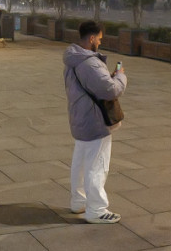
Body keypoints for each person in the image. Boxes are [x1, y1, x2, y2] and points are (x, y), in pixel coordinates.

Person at [64, 21, 127, 223]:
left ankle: (78, 201)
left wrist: (107, 78)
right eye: (99, 39)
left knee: (81, 163)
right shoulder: (89, 63)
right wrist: (120, 77)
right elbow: (110, 90)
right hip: (94, 120)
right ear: (91, 38)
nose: (100, 42)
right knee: (97, 165)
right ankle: (97, 210)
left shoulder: (73, 59)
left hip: (80, 118)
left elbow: (94, 85)